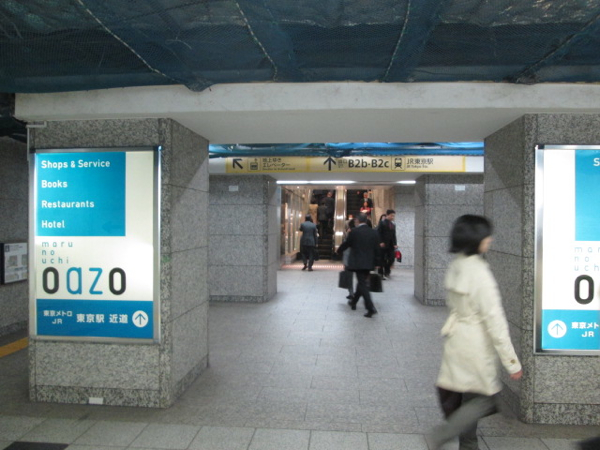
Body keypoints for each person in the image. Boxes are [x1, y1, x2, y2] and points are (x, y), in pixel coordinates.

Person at [430, 214, 523, 450]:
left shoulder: (457, 265)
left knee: (467, 397)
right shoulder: (480, 273)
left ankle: (468, 444)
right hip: (476, 343)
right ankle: (445, 434)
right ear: (476, 239)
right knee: (484, 399)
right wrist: (512, 362)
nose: (490, 239)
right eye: (486, 235)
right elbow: (495, 321)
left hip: (456, 338)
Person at [336, 212, 381, 318]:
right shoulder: (373, 232)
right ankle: (354, 302)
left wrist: (338, 251)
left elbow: (347, 243)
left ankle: (370, 307)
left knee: (362, 284)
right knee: (362, 283)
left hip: (357, 262)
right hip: (369, 262)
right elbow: (377, 248)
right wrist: (378, 262)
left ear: (358, 221)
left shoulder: (354, 232)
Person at [377, 209, 397, 279]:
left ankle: (387, 271)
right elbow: (378, 233)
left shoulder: (393, 224)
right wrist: (380, 242)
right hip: (383, 244)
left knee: (391, 258)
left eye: (393, 216)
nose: (392, 217)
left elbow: (394, 235)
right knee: (382, 259)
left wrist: (395, 244)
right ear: (387, 215)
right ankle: (380, 273)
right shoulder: (382, 223)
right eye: (391, 215)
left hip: (391, 245)